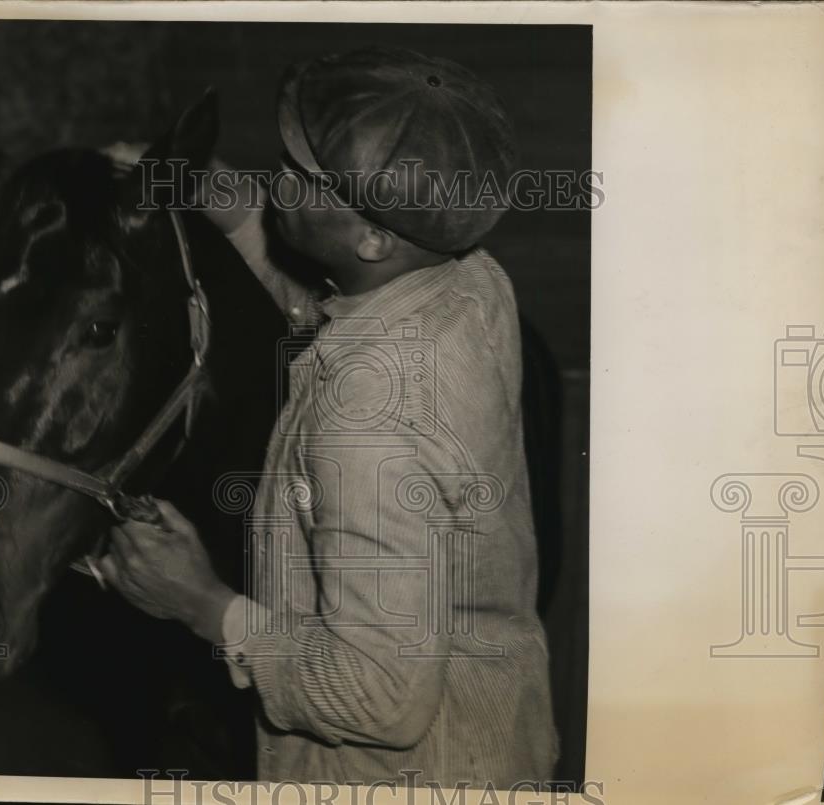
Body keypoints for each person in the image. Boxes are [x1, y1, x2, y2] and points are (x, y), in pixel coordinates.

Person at [98, 47, 559, 789]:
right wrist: (234, 204)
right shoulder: (471, 281)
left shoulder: (363, 425)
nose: (274, 180)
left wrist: (202, 603)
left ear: (375, 238)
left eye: (299, 176)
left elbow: (378, 697)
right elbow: (342, 314)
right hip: (494, 741)